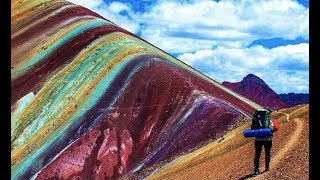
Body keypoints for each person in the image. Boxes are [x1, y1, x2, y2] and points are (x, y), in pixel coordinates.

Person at [253, 107, 274, 175]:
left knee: (257, 154)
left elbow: (252, 127)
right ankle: (267, 167)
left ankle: (256, 170)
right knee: (267, 153)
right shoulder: (269, 120)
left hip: (258, 139)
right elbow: (272, 129)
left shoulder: (256, 119)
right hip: (268, 139)